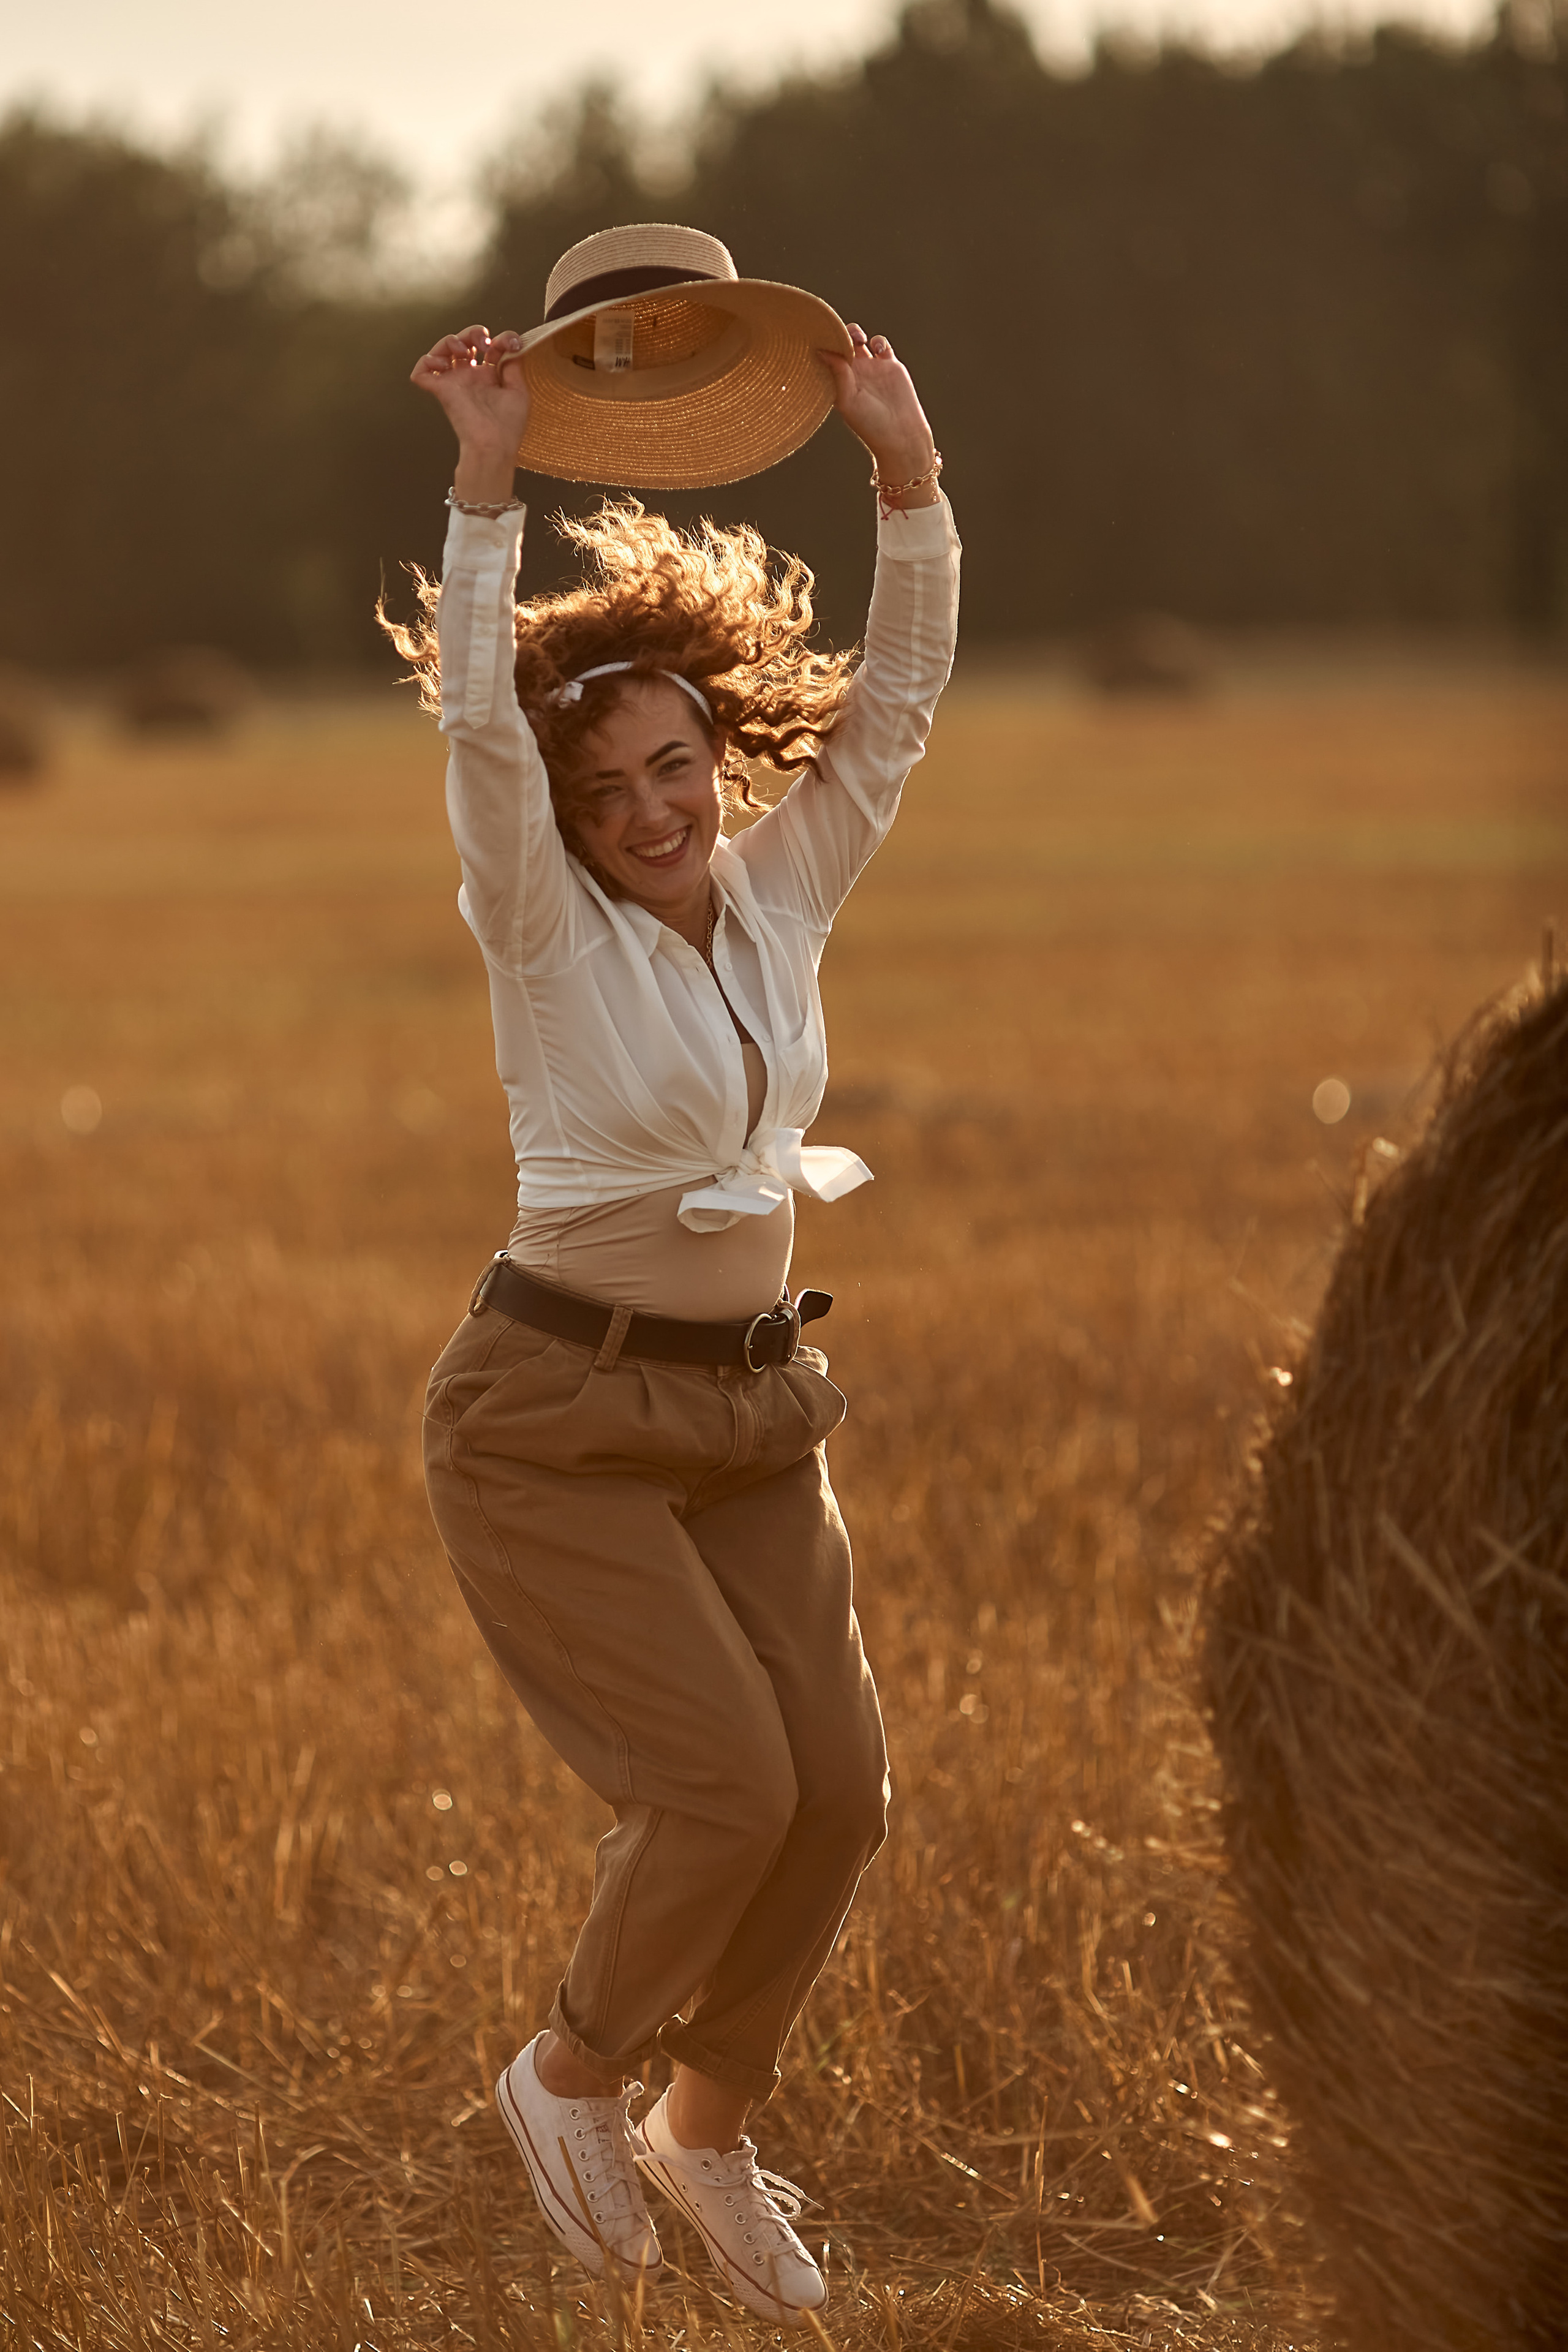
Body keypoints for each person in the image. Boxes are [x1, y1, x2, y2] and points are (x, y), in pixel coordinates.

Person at [398, 277, 959, 2328]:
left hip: (744, 1408)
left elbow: (893, 710)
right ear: (564, 820)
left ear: (715, 748)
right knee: (720, 1783)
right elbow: (478, 723)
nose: (656, 804)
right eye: (613, 784)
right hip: (553, 1412)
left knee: (838, 1794)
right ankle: (565, 2073)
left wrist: (904, 471)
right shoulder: (544, 930)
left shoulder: (781, 892)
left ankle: (702, 2129)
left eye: (677, 761)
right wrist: (485, 486)